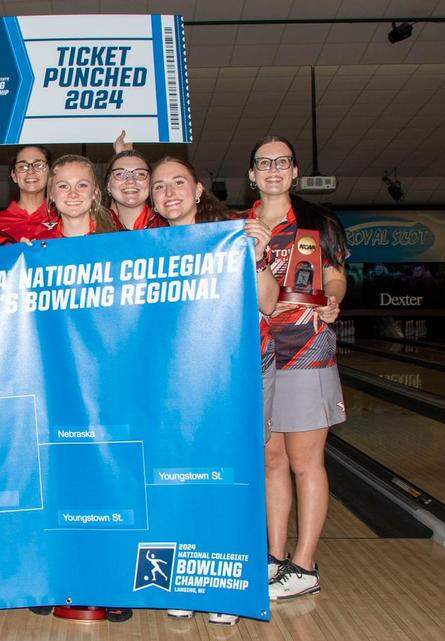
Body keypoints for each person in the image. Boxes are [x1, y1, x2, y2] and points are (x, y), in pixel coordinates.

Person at [149, 154, 279, 625]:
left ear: (199, 189)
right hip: (173, 384)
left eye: (179, 183)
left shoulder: (232, 235)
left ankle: (227, 584)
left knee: (230, 477)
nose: (169, 193)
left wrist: (259, 255)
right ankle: (183, 579)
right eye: (159, 186)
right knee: (177, 478)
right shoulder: (145, 244)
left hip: (231, 376)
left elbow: (267, 303)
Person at [243, 135, 347, 602]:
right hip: (258, 352)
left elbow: (335, 277)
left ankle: (304, 565)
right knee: (271, 460)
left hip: (306, 347)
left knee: (306, 463)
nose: (272, 169)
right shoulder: (236, 226)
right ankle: (273, 557)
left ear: (294, 171)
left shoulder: (316, 222)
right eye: (264, 163)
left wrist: (334, 303)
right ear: (251, 174)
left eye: (281, 162)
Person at [29, 154, 117, 240]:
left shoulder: (117, 239)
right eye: (63, 186)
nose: (73, 194)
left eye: (82, 185)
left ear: (95, 192)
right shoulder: (41, 244)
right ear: (51, 194)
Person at [0, 145, 56, 241]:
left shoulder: (63, 219)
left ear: (50, 173)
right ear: (14, 176)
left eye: (39, 165)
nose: (30, 171)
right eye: (22, 166)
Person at [104, 150, 167, 231]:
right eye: (120, 174)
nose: (130, 181)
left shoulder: (169, 226)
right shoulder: (96, 230)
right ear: (108, 185)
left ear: (151, 183)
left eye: (140, 174)